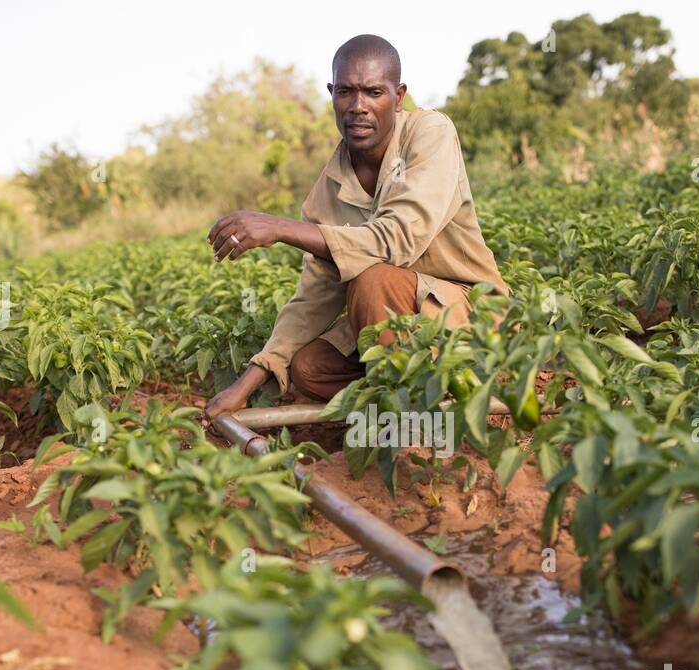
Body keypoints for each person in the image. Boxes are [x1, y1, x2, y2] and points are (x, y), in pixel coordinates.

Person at [203, 33, 508, 419]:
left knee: (373, 280)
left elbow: (396, 239)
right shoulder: (329, 189)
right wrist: (247, 382)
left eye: (373, 92)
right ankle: (406, 391)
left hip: (466, 312)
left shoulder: (430, 134)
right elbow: (313, 297)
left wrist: (280, 229)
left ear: (398, 97)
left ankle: (416, 412)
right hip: (399, 324)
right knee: (309, 369)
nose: (358, 107)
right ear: (332, 93)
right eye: (346, 92)